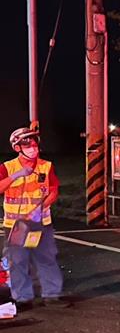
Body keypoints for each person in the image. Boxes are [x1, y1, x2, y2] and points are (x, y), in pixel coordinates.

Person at [0, 126, 63, 308]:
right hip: (17, 225)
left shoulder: (46, 166)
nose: (33, 148)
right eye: (28, 145)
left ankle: (52, 296)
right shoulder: (7, 167)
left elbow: (53, 191)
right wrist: (17, 175)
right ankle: (23, 299)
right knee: (18, 261)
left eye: (35, 145)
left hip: (40, 222)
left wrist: (41, 207)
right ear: (17, 148)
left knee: (46, 258)